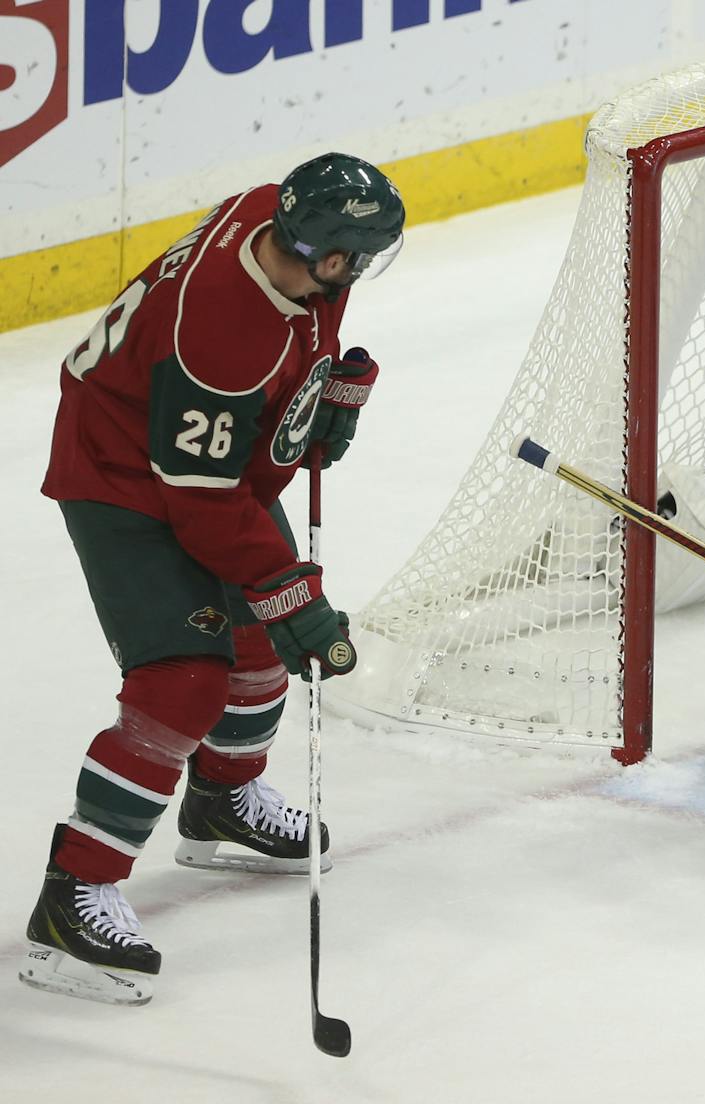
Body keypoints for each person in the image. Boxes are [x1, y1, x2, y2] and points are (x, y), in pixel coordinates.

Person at [18, 153, 405, 1006]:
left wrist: (313, 394)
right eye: (356, 258)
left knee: (258, 638)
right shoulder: (222, 334)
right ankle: (71, 897)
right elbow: (201, 508)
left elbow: (300, 325)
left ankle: (221, 802)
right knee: (182, 683)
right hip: (121, 471)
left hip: (200, 457)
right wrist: (293, 590)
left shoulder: (282, 221)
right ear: (328, 253)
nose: (358, 274)